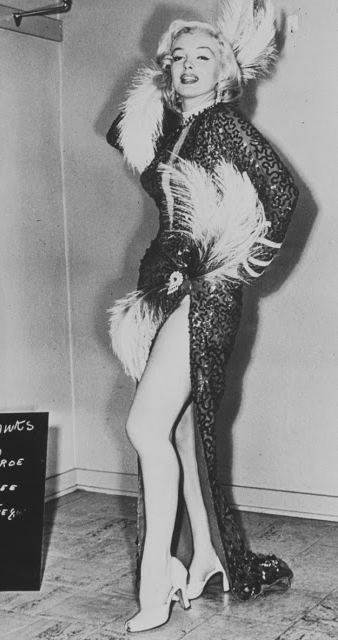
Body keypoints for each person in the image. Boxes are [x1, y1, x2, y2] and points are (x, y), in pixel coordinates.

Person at [106, 0, 299, 633]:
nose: (189, 66)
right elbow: (122, 133)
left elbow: (284, 196)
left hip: (204, 294)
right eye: (178, 58)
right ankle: (209, 557)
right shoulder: (178, 129)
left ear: (226, 71)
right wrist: (155, 90)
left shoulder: (222, 123)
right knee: (185, 435)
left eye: (204, 57)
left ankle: (155, 585)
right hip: (168, 290)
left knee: (144, 427)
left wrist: (232, 263)